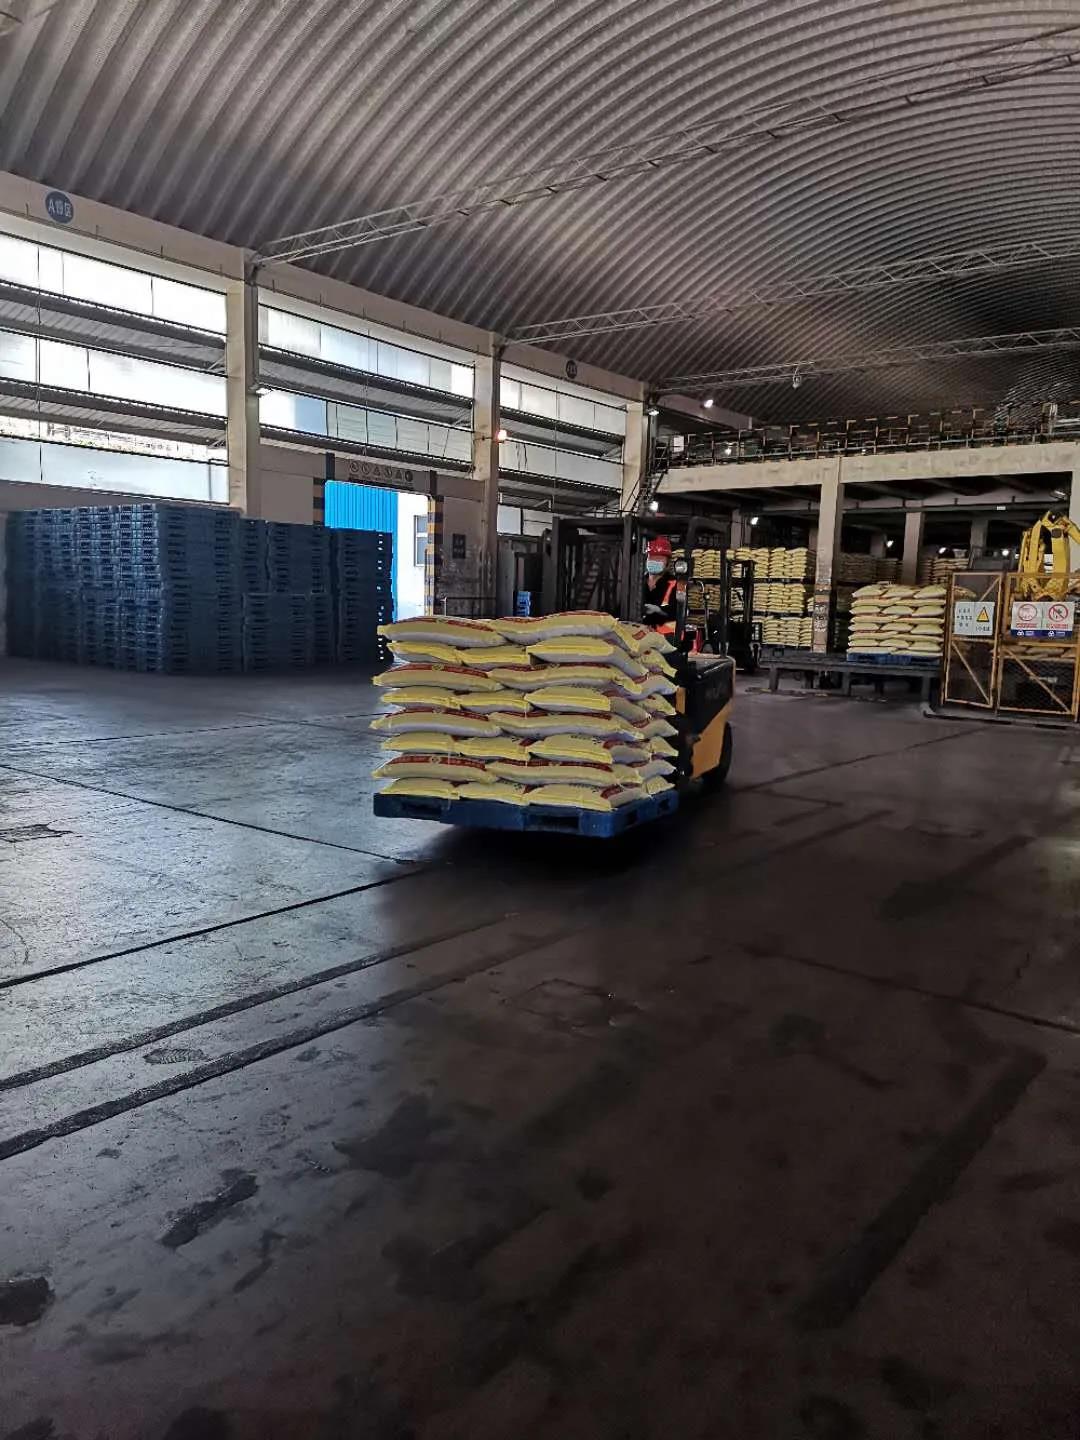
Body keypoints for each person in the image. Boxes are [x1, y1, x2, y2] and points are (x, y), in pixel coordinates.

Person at [642, 535, 678, 633]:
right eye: (652, 557)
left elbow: (678, 611)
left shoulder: (675, 583)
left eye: (659, 558)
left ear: (667, 563)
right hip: (639, 634)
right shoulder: (637, 581)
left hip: (666, 637)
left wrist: (658, 610)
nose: (655, 561)